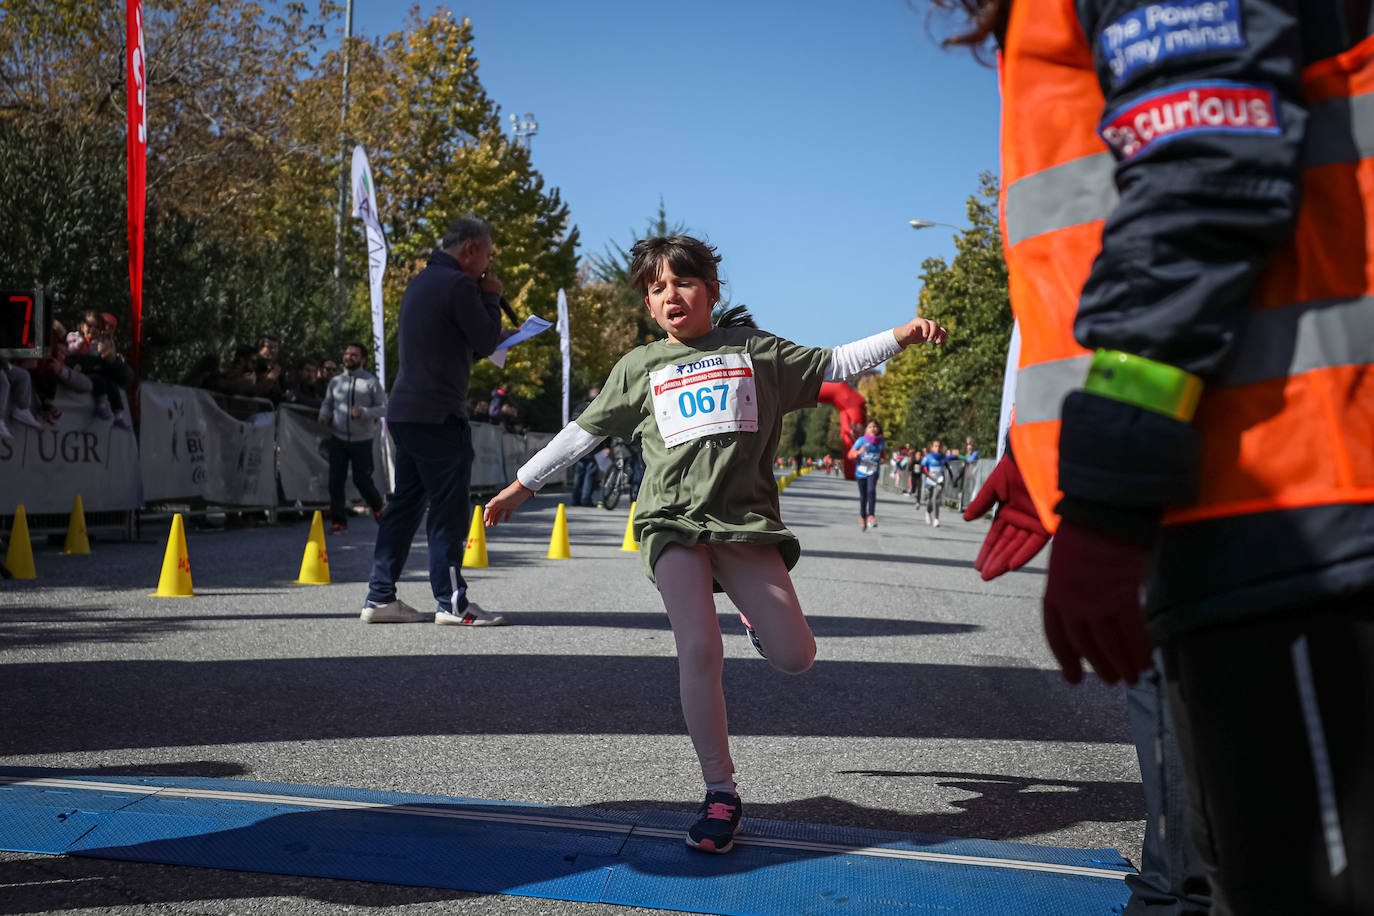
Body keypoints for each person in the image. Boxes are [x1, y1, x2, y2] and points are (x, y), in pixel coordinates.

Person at [940, 2, 1374, 912]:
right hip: (1266, 498)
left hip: (1299, 496)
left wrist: (1108, 496)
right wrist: (1049, 444)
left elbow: (1202, 183)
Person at [484, 235, 946, 854]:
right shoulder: (638, 367)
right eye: (656, 288)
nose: (670, 295)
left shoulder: (754, 351)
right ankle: (720, 793)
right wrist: (522, 485)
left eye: (683, 282)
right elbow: (581, 434)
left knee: (796, 656)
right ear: (647, 305)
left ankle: (757, 617)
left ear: (712, 290)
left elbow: (836, 363)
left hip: (743, 524)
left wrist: (901, 335)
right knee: (698, 649)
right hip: (671, 526)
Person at [361, 213, 513, 627]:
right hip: (437, 413)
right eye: (486, 254)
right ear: (469, 251)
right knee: (448, 510)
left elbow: (459, 341)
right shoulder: (459, 284)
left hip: (405, 412)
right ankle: (452, 603)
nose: (488, 264)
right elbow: (484, 339)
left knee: (405, 505)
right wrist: (492, 297)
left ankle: (380, 597)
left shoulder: (423, 280)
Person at [318, 343, 387, 534]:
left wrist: (364, 412)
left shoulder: (371, 382)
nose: (349, 357)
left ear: (363, 359)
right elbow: (328, 402)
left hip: (361, 440)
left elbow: (384, 407)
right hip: (338, 437)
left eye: (354, 355)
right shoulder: (335, 382)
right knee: (335, 480)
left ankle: (378, 508)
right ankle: (339, 522)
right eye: (347, 354)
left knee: (362, 480)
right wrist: (324, 413)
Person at [568, 388, 605, 507]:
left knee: (579, 472)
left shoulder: (580, 407)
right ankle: (585, 498)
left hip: (578, 444)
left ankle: (576, 498)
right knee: (589, 472)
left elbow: (573, 423)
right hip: (592, 445)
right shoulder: (599, 408)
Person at [847, 420, 885, 531]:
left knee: (871, 490)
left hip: (873, 470)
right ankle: (863, 516)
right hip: (861, 471)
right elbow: (850, 455)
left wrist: (882, 460)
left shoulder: (881, 441)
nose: (873, 429)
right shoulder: (861, 441)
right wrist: (858, 452)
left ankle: (871, 516)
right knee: (863, 496)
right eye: (870, 427)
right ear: (866, 429)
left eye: (875, 427)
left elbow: (883, 455)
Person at [918, 438, 946, 527]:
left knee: (936, 498)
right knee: (930, 499)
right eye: (935, 446)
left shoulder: (943, 457)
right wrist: (928, 473)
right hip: (930, 480)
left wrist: (953, 477)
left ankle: (936, 519)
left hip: (939, 480)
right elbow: (923, 467)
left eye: (939, 446)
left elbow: (948, 466)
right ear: (932, 447)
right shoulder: (928, 457)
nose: (937, 448)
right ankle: (928, 512)